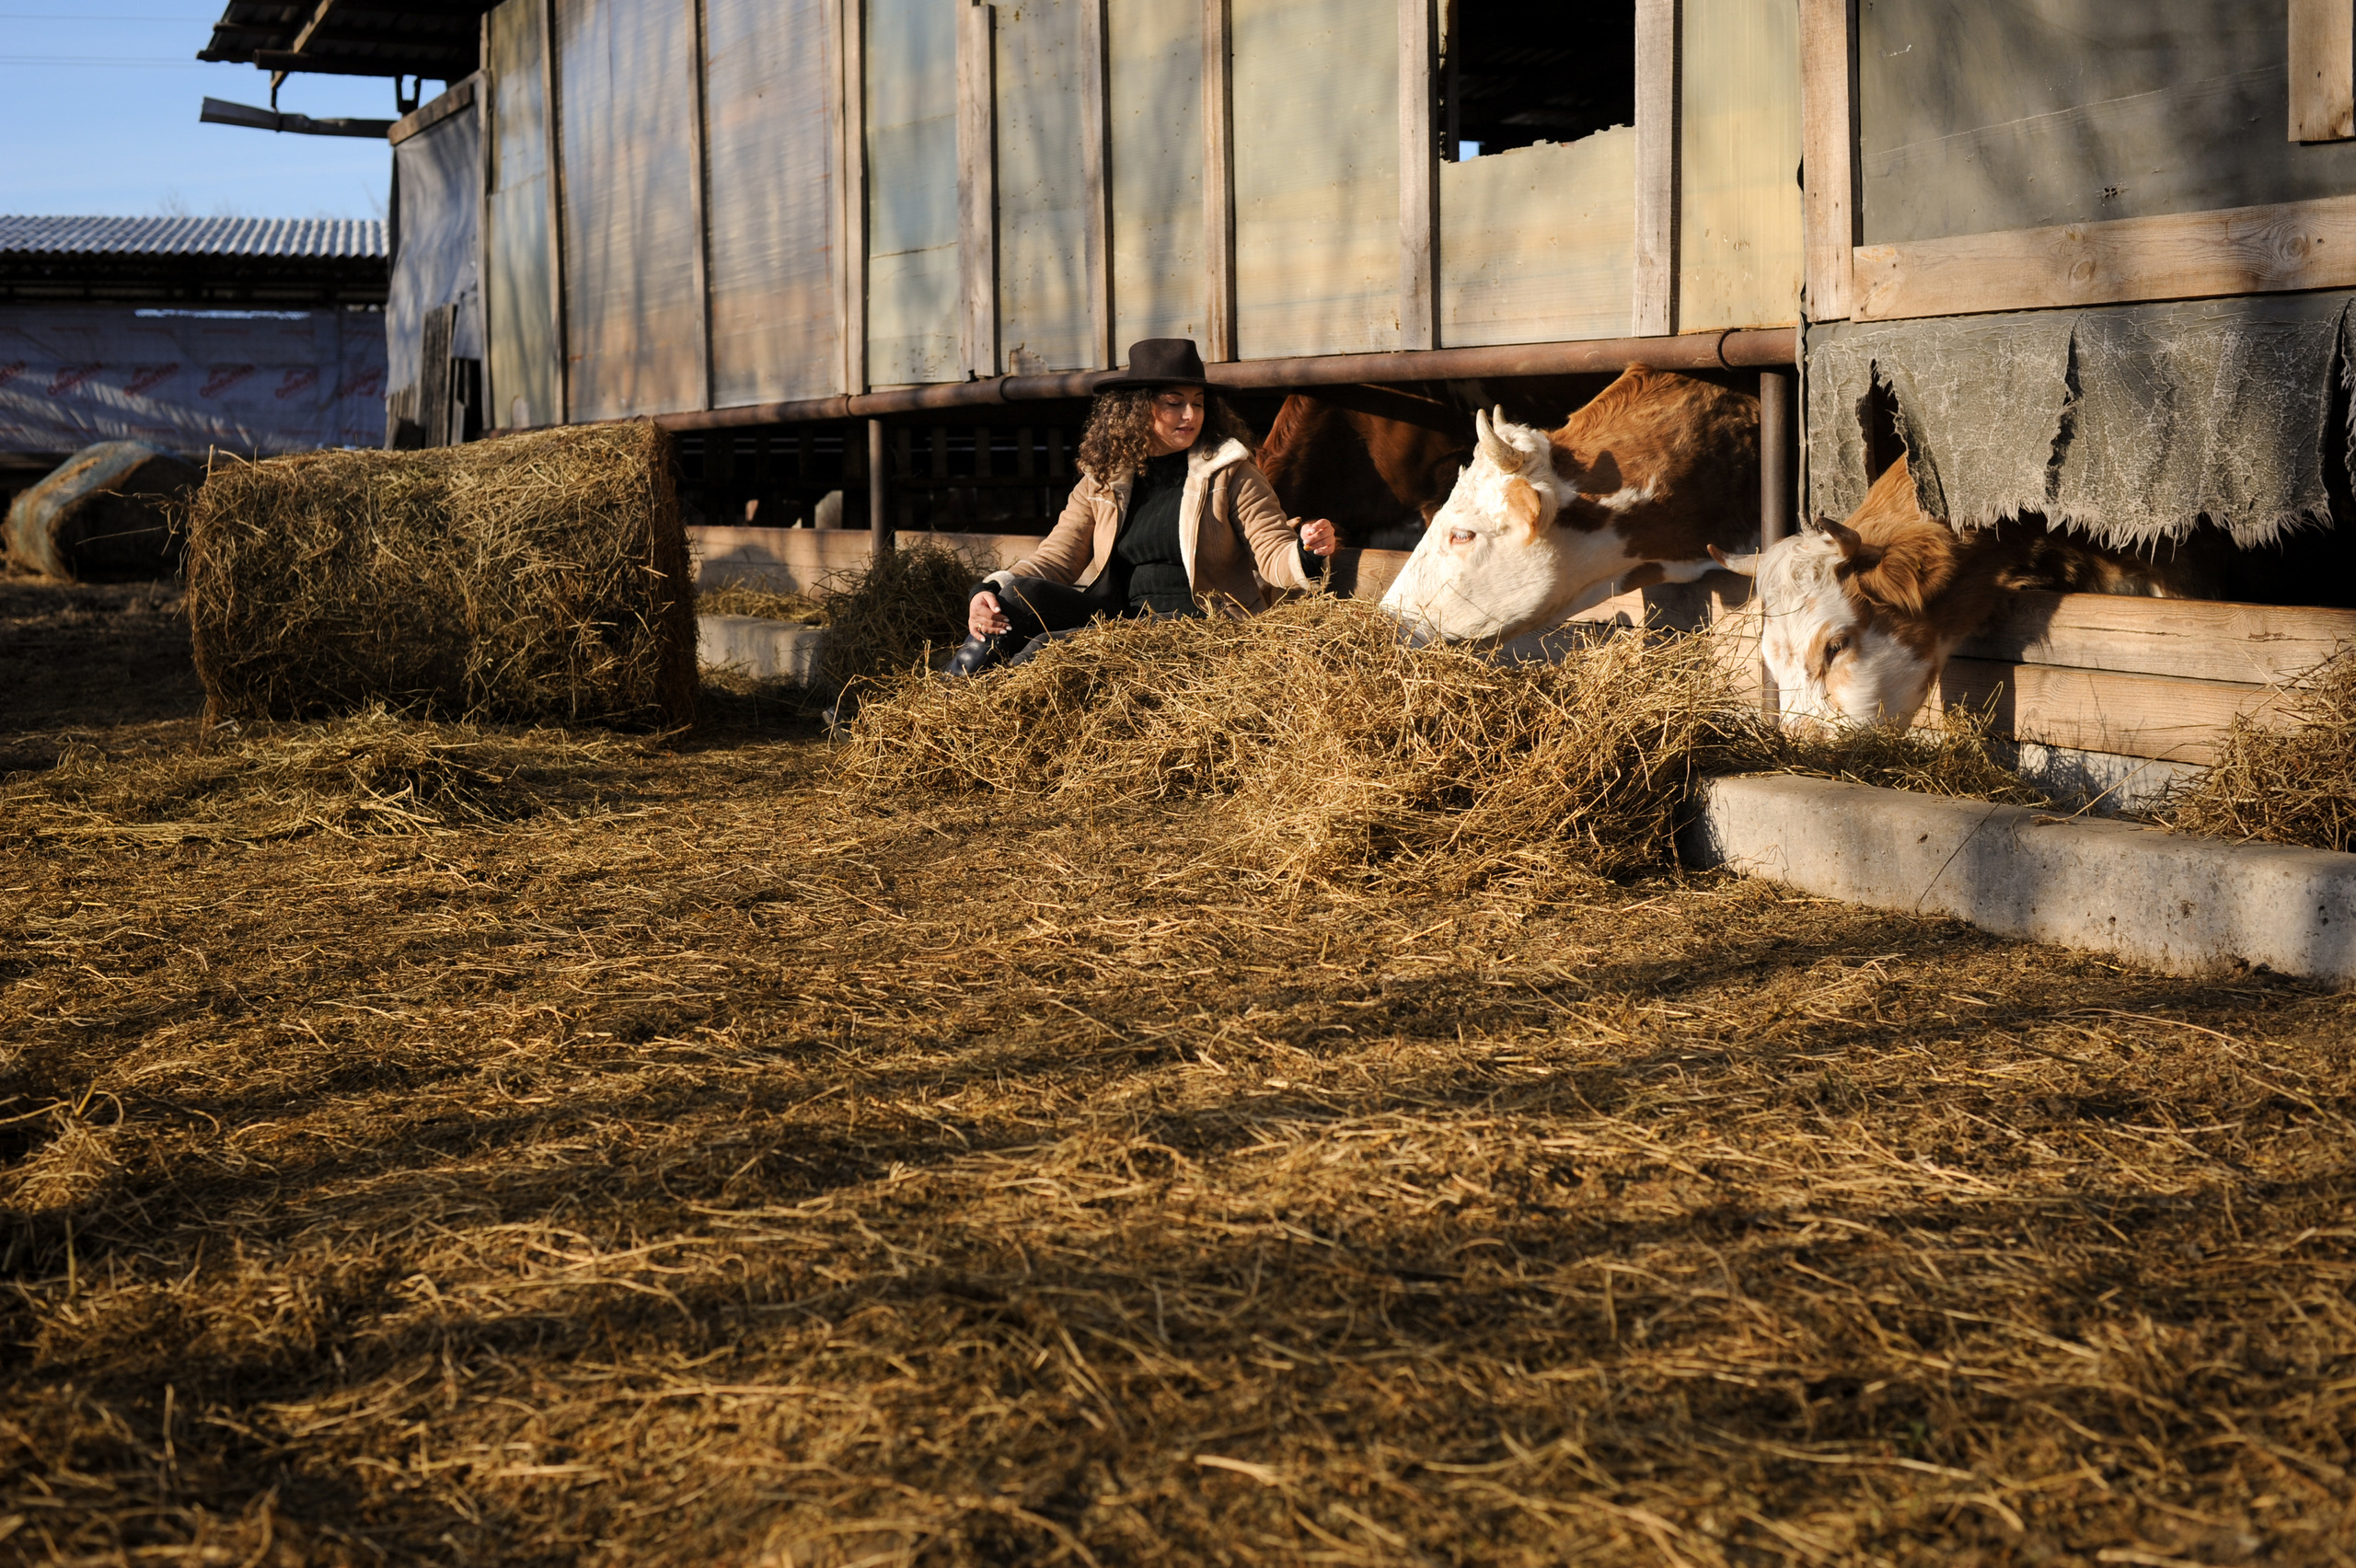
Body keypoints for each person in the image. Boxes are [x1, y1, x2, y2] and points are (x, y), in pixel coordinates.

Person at [944, 338, 1338, 674]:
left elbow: (1270, 551)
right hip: (1121, 619)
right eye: (1174, 403)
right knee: (1016, 596)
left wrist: (1305, 551)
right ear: (1136, 408)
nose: (1190, 415)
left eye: (1198, 403)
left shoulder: (1231, 473)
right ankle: (945, 704)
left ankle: (982, 718)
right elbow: (1055, 558)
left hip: (1198, 627)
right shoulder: (1104, 479)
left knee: (1046, 650)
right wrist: (988, 591)